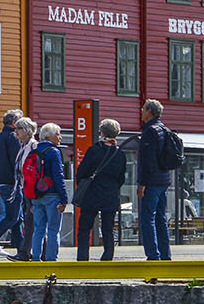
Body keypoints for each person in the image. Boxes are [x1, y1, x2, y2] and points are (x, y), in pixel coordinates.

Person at [74, 119, 128, 262]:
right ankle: (107, 257)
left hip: (91, 194)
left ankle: (83, 258)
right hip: (110, 195)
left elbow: (81, 172)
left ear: (102, 132)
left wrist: (83, 185)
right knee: (108, 228)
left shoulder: (94, 150)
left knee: (85, 227)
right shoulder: (120, 154)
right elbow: (121, 177)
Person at [136, 100, 176, 261]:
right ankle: (165, 254)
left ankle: (153, 255)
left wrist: (142, 184)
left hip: (151, 182)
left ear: (150, 112)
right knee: (161, 218)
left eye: (144, 109)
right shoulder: (164, 129)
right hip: (164, 180)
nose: (141, 110)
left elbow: (148, 161)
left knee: (148, 218)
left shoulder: (150, 131)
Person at [24, 123, 67, 261]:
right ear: (49, 136)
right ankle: (51, 258)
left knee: (39, 229)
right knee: (53, 229)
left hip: (36, 196)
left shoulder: (34, 152)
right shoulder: (54, 152)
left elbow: (28, 177)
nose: (60, 137)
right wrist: (64, 198)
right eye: (58, 134)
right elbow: (58, 176)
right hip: (52, 194)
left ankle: (36, 257)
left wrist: (30, 199)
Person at [0, 112, 26, 259]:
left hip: (0, 182)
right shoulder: (13, 138)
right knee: (12, 217)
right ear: (15, 123)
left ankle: (22, 250)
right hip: (12, 183)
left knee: (17, 218)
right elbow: (16, 162)